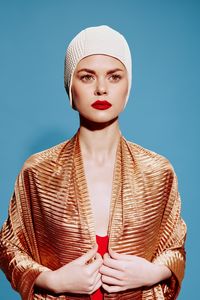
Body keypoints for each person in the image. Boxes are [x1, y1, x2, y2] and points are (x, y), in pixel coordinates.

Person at [0, 25, 186, 300]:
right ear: (70, 87)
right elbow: (9, 246)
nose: (101, 89)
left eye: (114, 77)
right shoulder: (37, 172)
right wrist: (52, 280)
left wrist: (154, 272)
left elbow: (175, 247)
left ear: (128, 86)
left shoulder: (158, 172)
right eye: (87, 77)